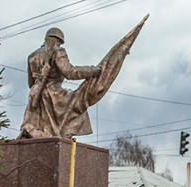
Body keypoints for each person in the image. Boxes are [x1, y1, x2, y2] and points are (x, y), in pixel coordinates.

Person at [19, 16, 148, 139]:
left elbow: (31, 83)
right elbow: (69, 72)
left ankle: (58, 138)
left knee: (46, 132)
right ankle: (66, 134)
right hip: (54, 96)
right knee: (78, 107)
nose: (59, 44)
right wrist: (91, 71)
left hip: (35, 96)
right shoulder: (58, 52)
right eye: (60, 42)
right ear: (58, 40)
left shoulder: (32, 56)